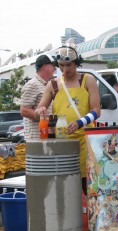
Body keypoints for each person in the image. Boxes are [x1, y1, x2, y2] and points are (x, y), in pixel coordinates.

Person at [34, 39, 101, 195]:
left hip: (86, 142)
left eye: (69, 65)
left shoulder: (87, 80)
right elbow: (38, 111)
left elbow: (97, 111)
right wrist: (41, 110)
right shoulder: (53, 84)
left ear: (76, 63)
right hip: (62, 143)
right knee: (65, 192)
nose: (65, 69)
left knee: (91, 190)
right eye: (62, 66)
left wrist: (79, 122)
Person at [20, 54, 56, 139]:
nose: (55, 69)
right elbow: (24, 110)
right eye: (53, 66)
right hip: (36, 138)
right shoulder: (32, 84)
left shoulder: (47, 85)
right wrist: (46, 119)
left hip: (46, 136)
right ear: (45, 66)